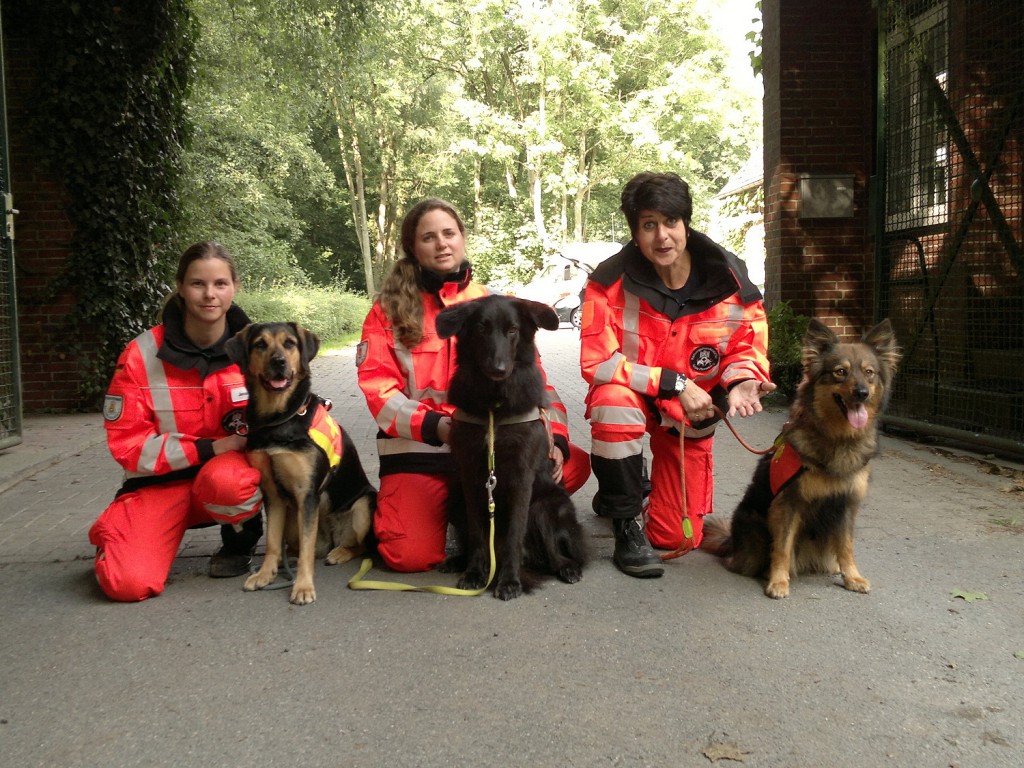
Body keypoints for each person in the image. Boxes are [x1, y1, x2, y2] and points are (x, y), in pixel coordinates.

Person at [357, 198, 590, 573]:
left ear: (463, 238)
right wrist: (440, 427)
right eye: (428, 237)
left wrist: (557, 438)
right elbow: (378, 392)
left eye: (449, 233)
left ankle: (500, 528)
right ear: (413, 248)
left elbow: (541, 386)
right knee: (409, 556)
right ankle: (447, 520)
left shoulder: (492, 304)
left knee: (574, 464)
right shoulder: (388, 310)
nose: (442, 243)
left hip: (494, 447)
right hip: (425, 452)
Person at [580, 172, 775, 578]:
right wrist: (673, 382)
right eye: (649, 224)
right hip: (635, 397)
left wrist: (741, 381)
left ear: (686, 223)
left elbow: (745, 347)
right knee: (612, 405)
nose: (662, 236)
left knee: (677, 537)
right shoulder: (607, 282)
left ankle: (631, 486)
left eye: (670, 222)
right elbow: (597, 363)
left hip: (687, 418)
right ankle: (625, 520)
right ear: (635, 232)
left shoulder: (732, 282)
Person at [89, 241, 264, 601]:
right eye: (198, 284)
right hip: (159, 485)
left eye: (220, 284)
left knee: (230, 481)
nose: (209, 295)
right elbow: (128, 444)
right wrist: (210, 447)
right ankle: (118, 531)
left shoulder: (259, 346)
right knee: (127, 584)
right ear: (181, 288)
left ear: (235, 287)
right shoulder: (142, 354)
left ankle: (239, 543)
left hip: (226, 482)